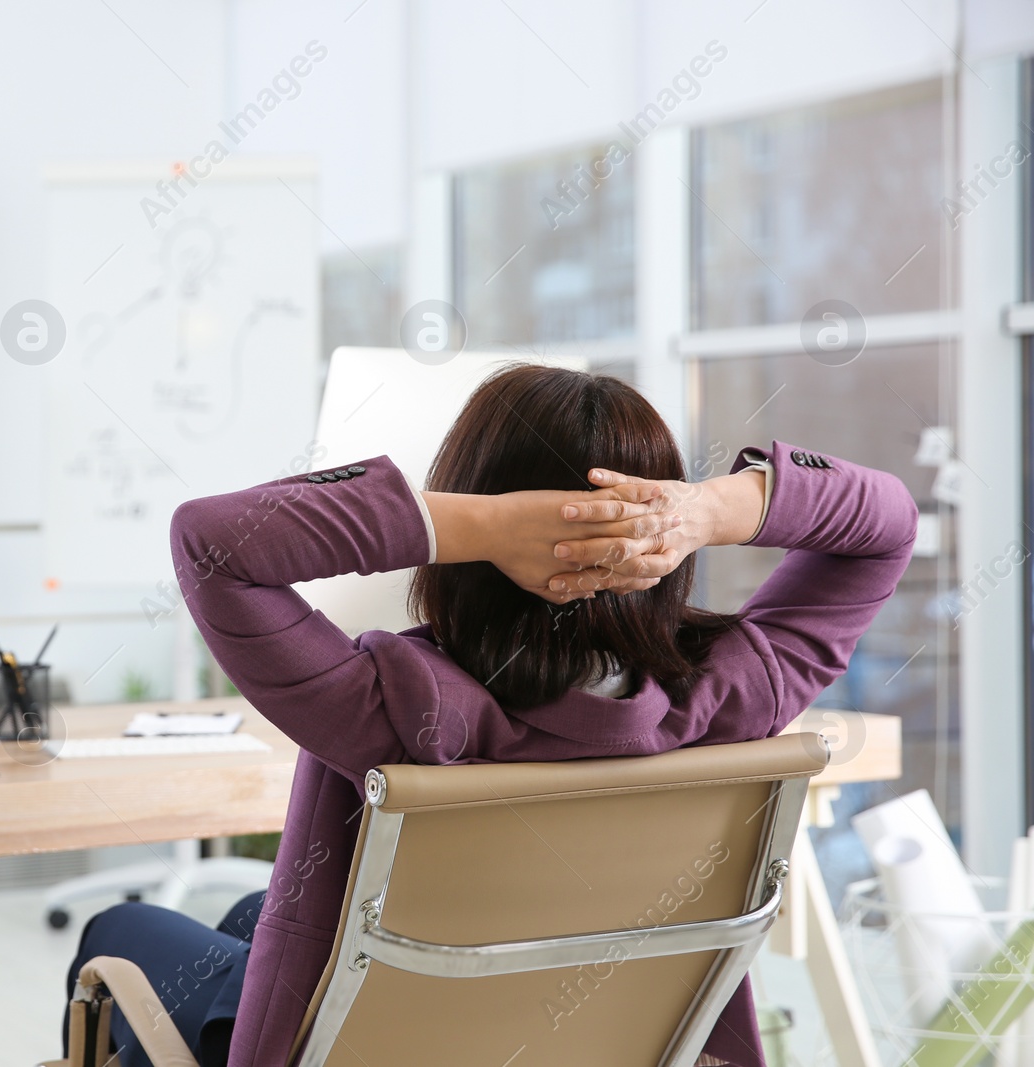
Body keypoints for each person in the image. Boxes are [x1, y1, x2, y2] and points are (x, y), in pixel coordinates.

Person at [61, 363, 917, 1067]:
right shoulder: (735, 694)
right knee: (249, 917)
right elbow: (886, 523)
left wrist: (473, 524)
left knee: (123, 928)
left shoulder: (397, 708)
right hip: (589, 1038)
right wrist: (710, 508)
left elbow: (213, 543)